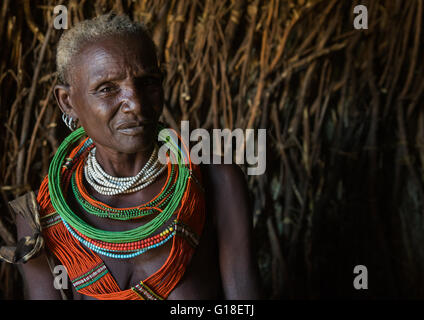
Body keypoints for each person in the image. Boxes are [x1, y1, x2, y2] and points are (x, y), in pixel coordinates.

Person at [14, 13, 261, 300]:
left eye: (148, 82)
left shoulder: (216, 181)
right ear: (68, 102)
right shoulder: (41, 216)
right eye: (108, 88)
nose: (135, 103)